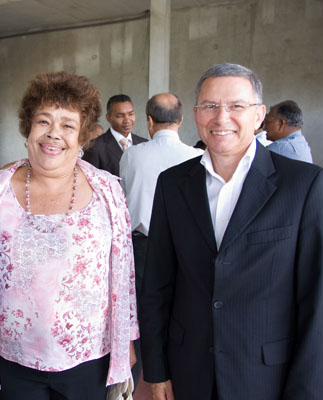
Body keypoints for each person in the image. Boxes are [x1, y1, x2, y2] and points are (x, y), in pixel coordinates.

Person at [139, 63, 323, 400]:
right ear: (195, 114)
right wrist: (157, 370)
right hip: (189, 370)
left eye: (236, 106)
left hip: (266, 376)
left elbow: (321, 308)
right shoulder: (173, 184)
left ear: (259, 115)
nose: (221, 118)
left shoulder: (306, 185)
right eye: (210, 106)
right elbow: (158, 284)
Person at [0, 71, 138, 400]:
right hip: (12, 360)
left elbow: (124, 273)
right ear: (28, 128)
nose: (53, 134)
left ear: (82, 135)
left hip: (89, 358)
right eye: (43, 122)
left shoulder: (108, 192)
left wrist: (125, 340)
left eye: (67, 125)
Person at [119, 92, 202, 389]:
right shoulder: (197, 157)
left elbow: (124, 196)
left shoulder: (132, 154)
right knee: (182, 306)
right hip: (186, 247)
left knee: (144, 309)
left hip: (141, 245)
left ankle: (139, 374)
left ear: (149, 121)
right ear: (181, 120)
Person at [82, 94, 147, 176]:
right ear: (108, 118)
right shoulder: (94, 147)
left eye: (131, 114)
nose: (127, 120)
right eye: (120, 116)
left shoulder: (144, 144)